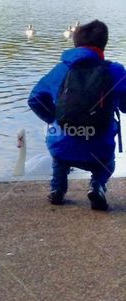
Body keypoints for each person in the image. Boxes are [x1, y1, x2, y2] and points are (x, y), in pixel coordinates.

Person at [28, 19, 126, 211]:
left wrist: (53, 118)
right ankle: (97, 186)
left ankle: (57, 190)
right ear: (103, 44)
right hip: (99, 147)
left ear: (75, 43)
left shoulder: (61, 69)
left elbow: (34, 99)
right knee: (107, 163)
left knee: (59, 158)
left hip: (63, 144)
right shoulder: (115, 71)